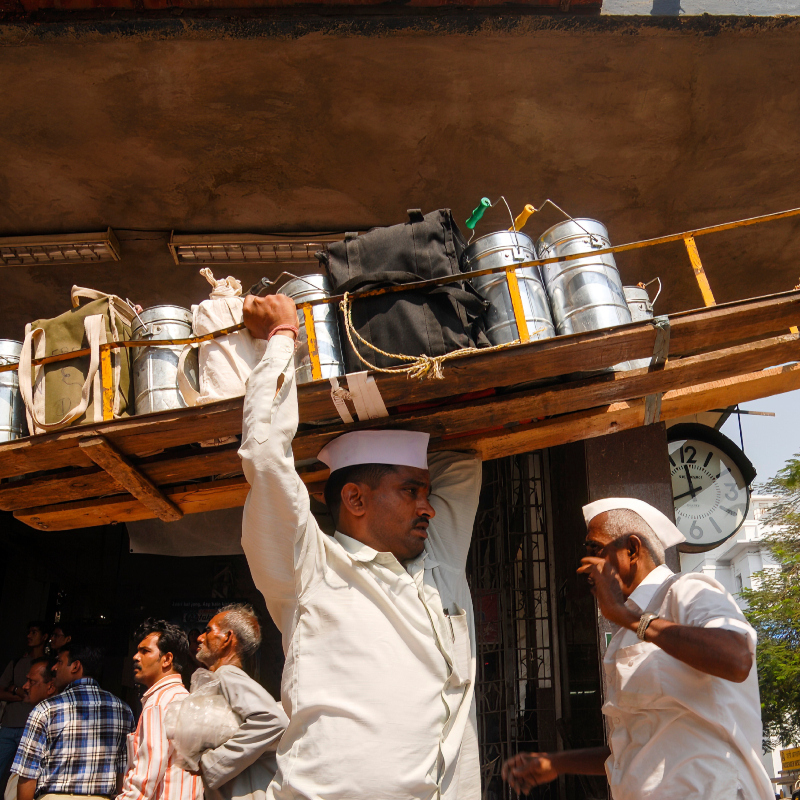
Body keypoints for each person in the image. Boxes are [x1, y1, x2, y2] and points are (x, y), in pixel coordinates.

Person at [239, 295, 483, 800]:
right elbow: (265, 458)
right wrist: (281, 339)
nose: (429, 507)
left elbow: (465, 453)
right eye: (411, 491)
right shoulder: (309, 566)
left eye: (427, 492)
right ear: (354, 499)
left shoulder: (439, 561)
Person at [501, 497, 774, 800]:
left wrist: (629, 618)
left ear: (631, 549)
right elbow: (634, 748)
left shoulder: (687, 590)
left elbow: (737, 659)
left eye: (595, 549)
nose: (585, 563)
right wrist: (556, 763)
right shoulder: (624, 633)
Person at [11, 639, 135, 800]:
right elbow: (123, 771)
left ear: (76, 666)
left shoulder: (46, 709)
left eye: (60, 662)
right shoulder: (124, 710)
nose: (54, 668)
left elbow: (27, 773)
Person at [189, 604, 287, 800]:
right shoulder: (222, 678)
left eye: (208, 631)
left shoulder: (227, 675)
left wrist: (211, 764)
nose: (200, 638)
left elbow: (273, 719)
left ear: (227, 638)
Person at [117, 620, 202, 800]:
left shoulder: (158, 703)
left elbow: (146, 774)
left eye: (145, 651)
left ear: (167, 659)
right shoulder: (184, 698)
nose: (135, 657)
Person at [0, 622, 49, 795]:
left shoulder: (50, 666)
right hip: (9, 724)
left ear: (44, 637)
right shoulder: (17, 662)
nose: (29, 635)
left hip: (30, 726)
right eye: (28, 632)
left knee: (22, 775)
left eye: (34, 632)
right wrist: (18, 693)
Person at [3, 659, 58, 800]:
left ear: (50, 687)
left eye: (32, 682)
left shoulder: (41, 714)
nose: (25, 686)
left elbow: (27, 776)